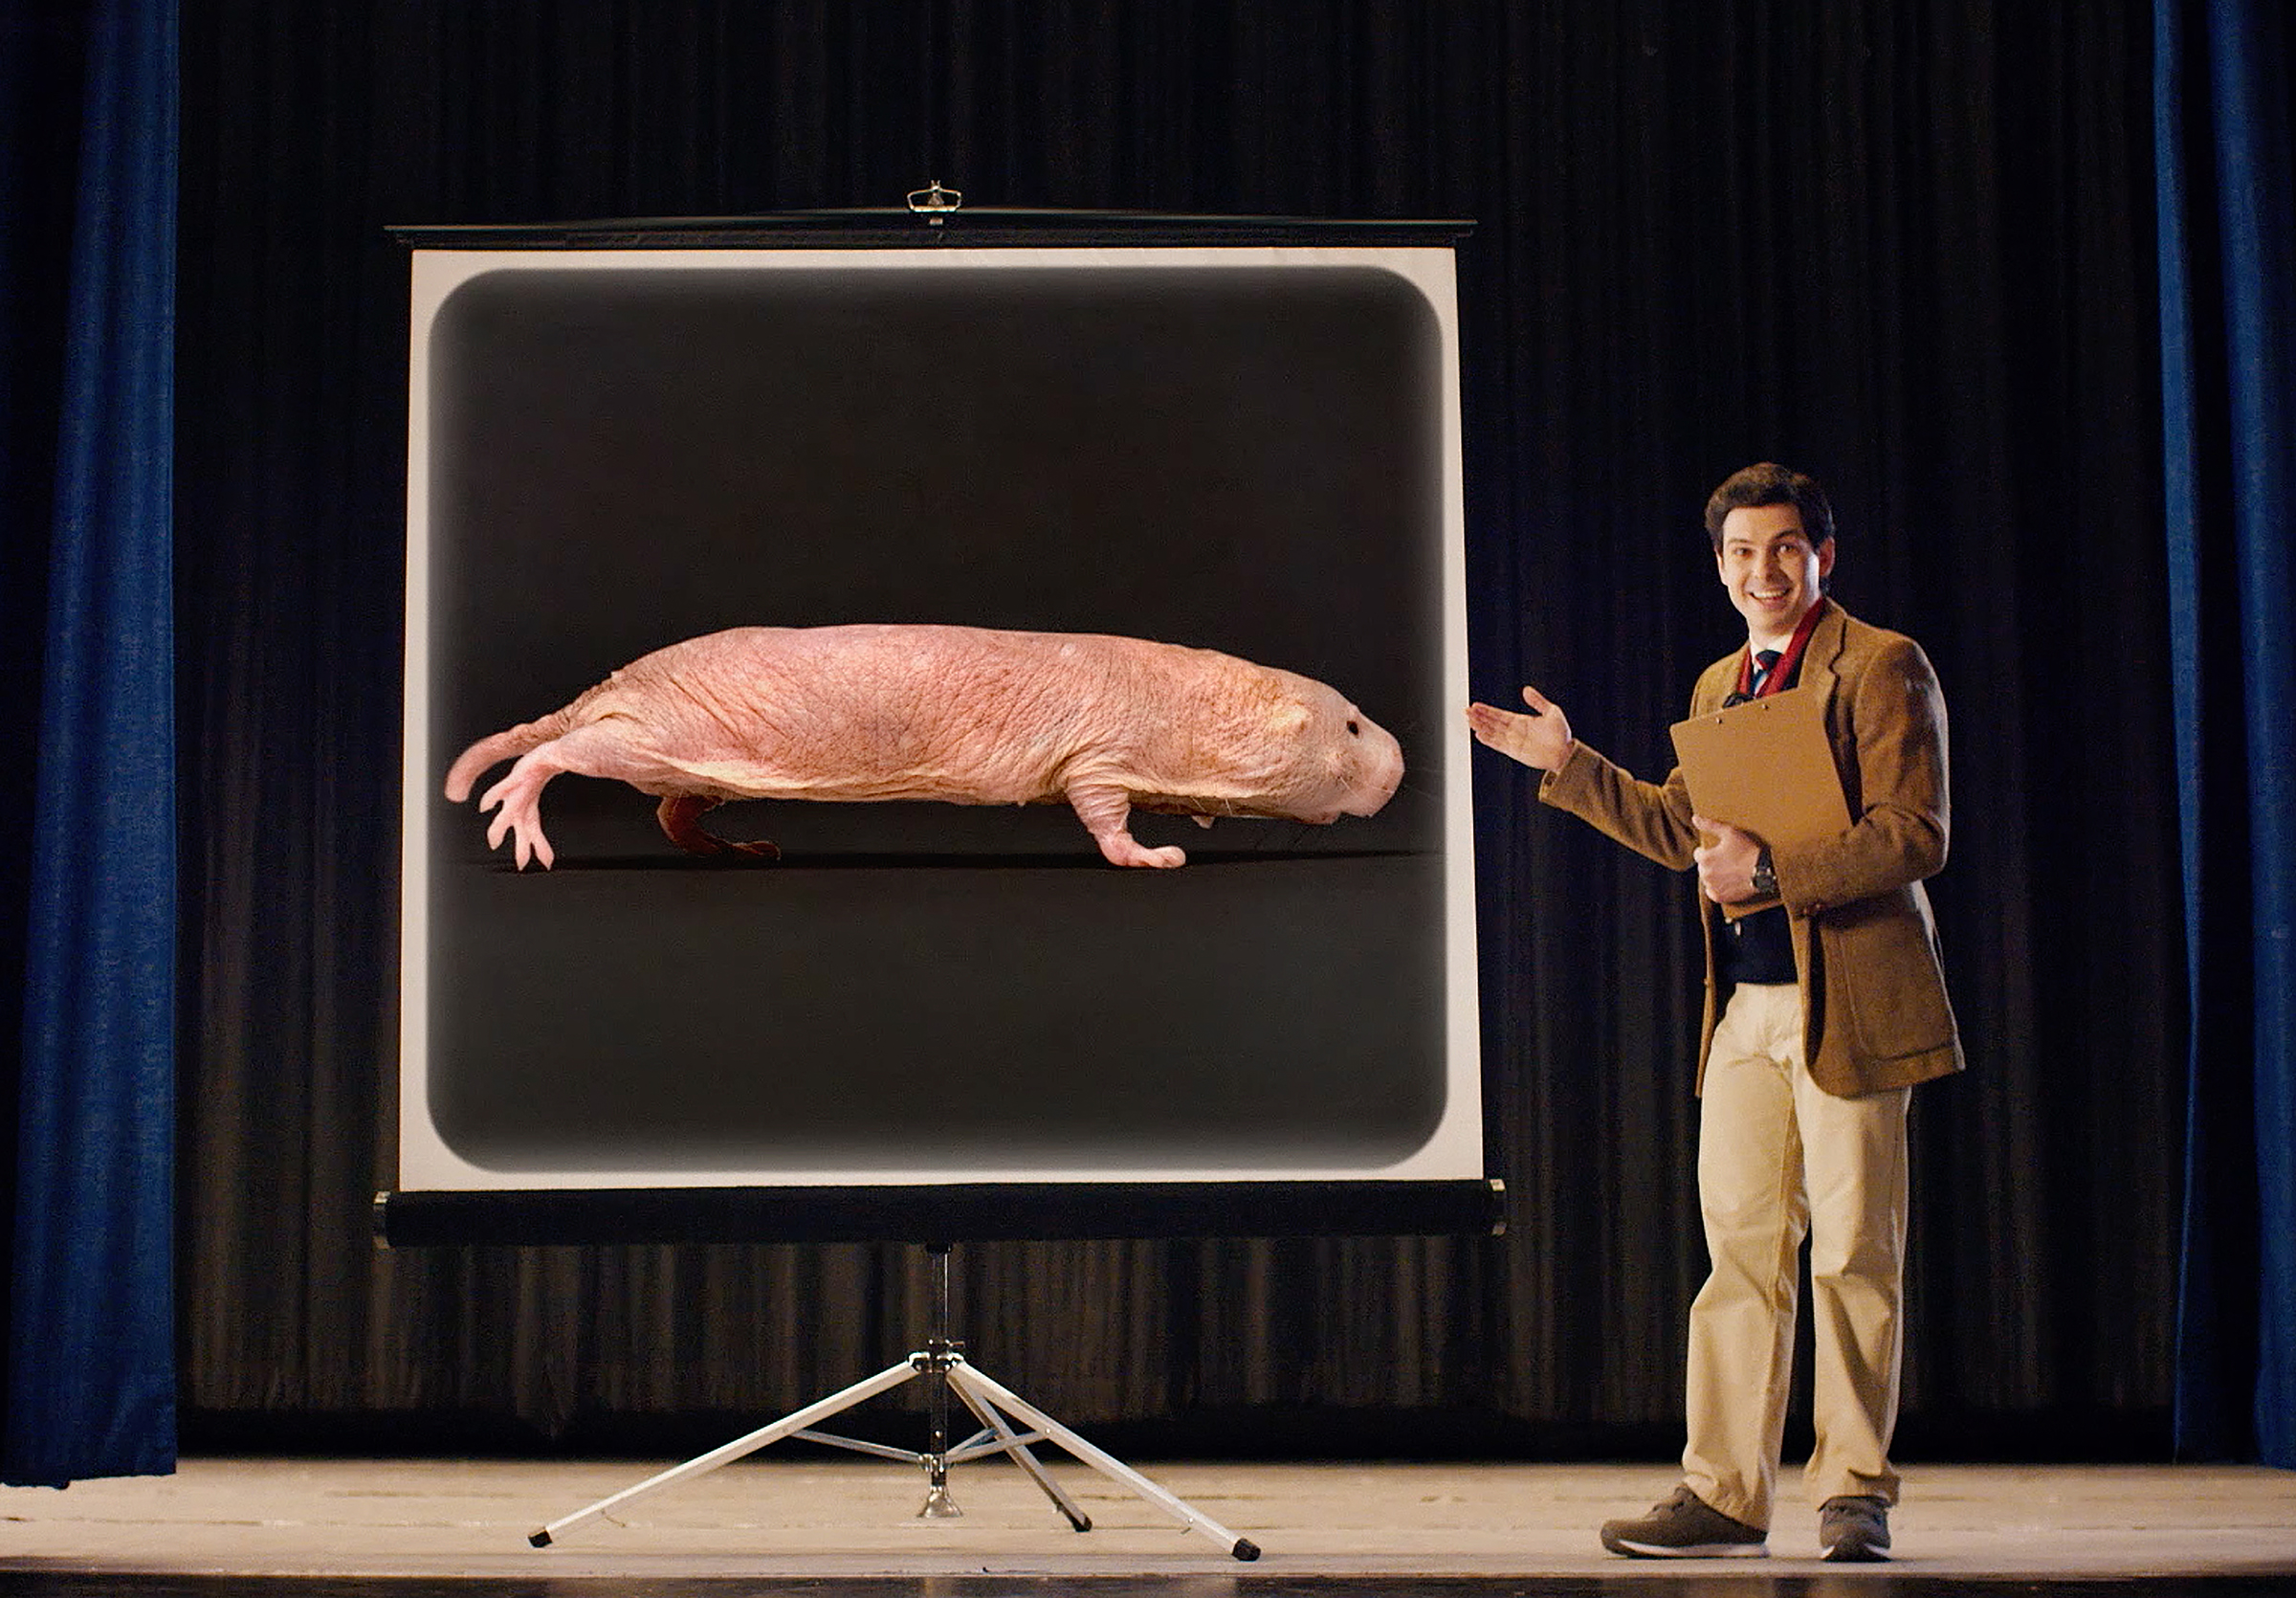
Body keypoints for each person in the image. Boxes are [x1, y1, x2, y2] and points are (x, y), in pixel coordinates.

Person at [1466, 462, 1961, 1563]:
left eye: (1783, 547)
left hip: (1850, 1002)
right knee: (1739, 1253)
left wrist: (1772, 873)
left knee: (1853, 1256)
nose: (1762, 570)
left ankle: (1854, 1491)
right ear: (1721, 566)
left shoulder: (1881, 663)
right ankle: (1726, 1493)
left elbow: (1914, 833)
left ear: (1821, 555)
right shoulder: (1717, 684)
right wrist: (1568, 764)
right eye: (1741, 551)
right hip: (1743, 1008)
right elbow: (1678, 830)